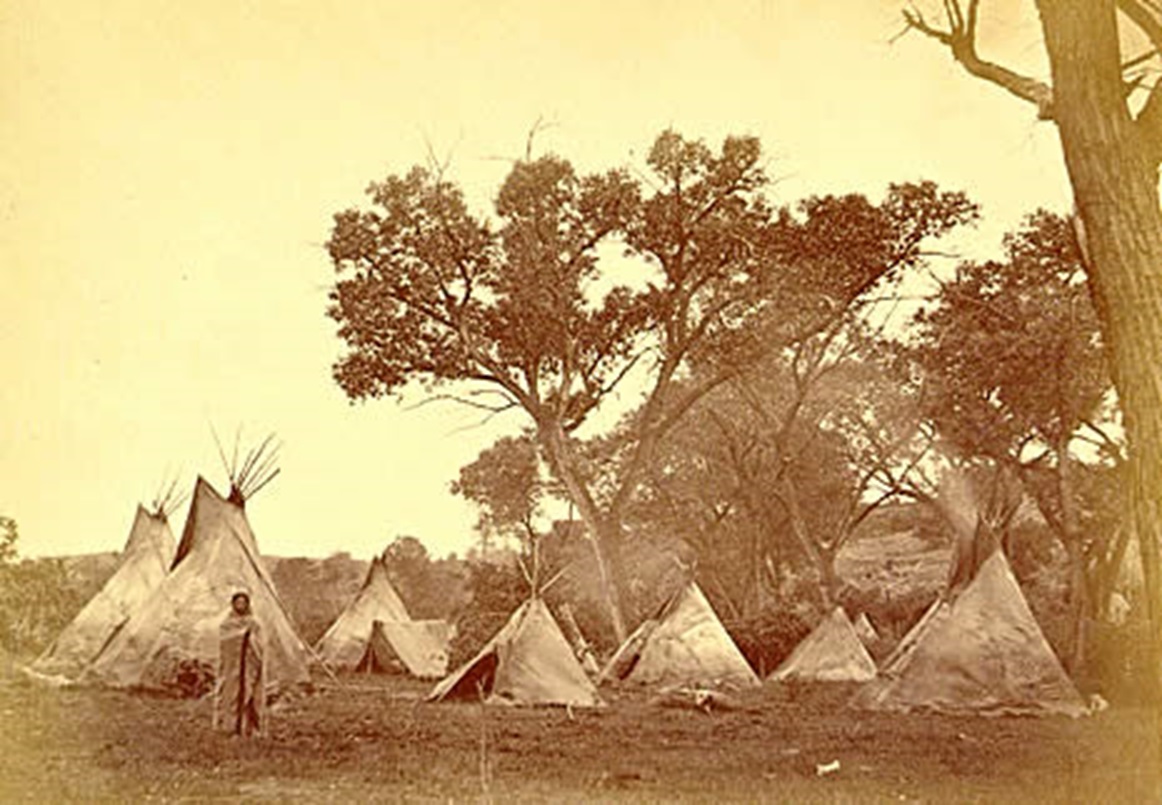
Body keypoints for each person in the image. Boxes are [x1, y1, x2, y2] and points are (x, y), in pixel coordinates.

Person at [213, 590, 266, 737]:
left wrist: (251, 640)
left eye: (243, 603)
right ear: (233, 604)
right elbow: (224, 641)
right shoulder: (226, 623)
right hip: (232, 669)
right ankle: (229, 726)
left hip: (249, 666)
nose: (240, 605)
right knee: (230, 695)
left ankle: (249, 727)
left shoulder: (254, 622)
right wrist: (241, 635)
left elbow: (260, 643)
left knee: (250, 694)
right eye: (238, 602)